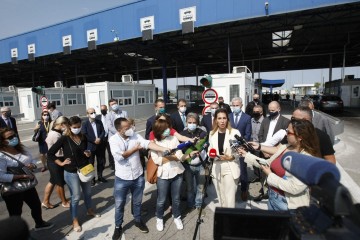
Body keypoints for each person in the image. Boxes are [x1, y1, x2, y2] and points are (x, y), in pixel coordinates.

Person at [238, 119, 321, 210]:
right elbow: (267, 164)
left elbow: (294, 188)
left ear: (300, 137)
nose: (286, 134)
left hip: (288, 204)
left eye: (289, 132)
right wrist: (246, 155)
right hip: (272, 197)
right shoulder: (285, 147)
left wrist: (270, 175)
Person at [109, 118, 170, 239]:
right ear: (119, 130)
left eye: (130, 127)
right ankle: (118, 226)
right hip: (122, 178)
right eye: (127, 128)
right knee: (119, 204)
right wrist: (135, 149)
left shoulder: (135, 136)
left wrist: (163, 149)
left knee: (137, 202)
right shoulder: (113, 140)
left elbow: (147, 143)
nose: (130, 129)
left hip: (137, 176)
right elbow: (120, 157)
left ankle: (138, 220)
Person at [47, 116, 100, 232]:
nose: (77, 129)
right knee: (75, 197)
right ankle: (74, 220)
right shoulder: (64, 139)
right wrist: (61, 163)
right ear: (69, 127)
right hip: (71, 172)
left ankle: (90, 210)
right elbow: (50, 153)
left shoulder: (83, 136)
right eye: (75, 127)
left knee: (88, 192)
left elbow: (86, 149)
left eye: (79, 126)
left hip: (84, 170)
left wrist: (88, 153)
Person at [0, 128, 54, 231]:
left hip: (28, 184)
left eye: (14, 135)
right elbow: (1, 176)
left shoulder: (21, 148)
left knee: (36, 205)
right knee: (15, 212)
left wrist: (32, 165)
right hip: (12, 189)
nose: (14, 138)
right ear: (2, 141)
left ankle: (39, 223)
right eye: (10, 137)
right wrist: (21, 176)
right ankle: (17, 232)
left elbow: (32, 160)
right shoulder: (1, 155)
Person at [151, 118, 196, 232]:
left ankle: (177, 216)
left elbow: (180, 157)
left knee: (176, 199)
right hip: (163, 175)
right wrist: (172, 157)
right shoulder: (154, 143)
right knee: (161, 200)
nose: (168, 130)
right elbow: (157, 161)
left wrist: (189, 155)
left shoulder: (174, 139)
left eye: (168, 128)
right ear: (158, 130)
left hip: (177, 173)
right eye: (165, 128)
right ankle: (160, 218)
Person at [208, 108, 241, 208]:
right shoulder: (211, 134)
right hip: (217, 167)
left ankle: (230, 220)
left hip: (230, 166)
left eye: (224, 118)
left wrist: (230, 157)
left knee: (229, 198)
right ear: (215, 120)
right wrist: (211, 154)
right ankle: (223, 219)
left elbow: (239, 152)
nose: (222, 121)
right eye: (219, 118)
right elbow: (210, 149)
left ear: (227, 119)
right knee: (221, 197)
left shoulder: (235, 133)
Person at [180, 112, 208, 212]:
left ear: (197, 123)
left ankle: (199, 204)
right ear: (186, 122)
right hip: (188, 165)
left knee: (200, 187)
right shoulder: (182, 135)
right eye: (189, 122)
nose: (192, 124)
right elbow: (181, 150)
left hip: (201, 164)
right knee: (189, 187)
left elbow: (206, 145)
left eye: (194, 122)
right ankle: (190, 204)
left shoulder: (203, 133)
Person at [43, 116, 71, 209]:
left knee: (52, 181)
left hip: (54, 160)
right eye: (67, 124)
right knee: (60, 183)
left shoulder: (55, 132)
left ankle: (45, 201)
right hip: (56, 161)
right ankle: (64, 201)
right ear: (62, 124)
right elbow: (59, 149)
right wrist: (61, 163)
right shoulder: (56, 135)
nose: (68, 126)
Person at [229, 97, 252, 201]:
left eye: (237, 105)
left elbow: (247, 134)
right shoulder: (228, 117)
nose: (235, 107)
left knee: (242, 170)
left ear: (241, 105)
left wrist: (241, 145)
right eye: (233, 105)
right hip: (229, 148)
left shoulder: (247, 118)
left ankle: (243, 190)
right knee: (231, 169)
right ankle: (232, 190)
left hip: (242, 148)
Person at [82, 108, 106, 186]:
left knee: (101, 162)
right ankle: (92, 179)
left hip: (100, 145)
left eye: (94, 112)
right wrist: (94, 140)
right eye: (91, 113)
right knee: (90, 163)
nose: (93, 114)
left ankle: (100, 176)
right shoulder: (85, 123)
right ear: (87, 114)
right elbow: (85, 134)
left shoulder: (99, 122)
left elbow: (103, 131)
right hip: (91, 146)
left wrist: (99, 138)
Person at [96, 105, 114, 170]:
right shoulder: (97, 117)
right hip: (102, 137)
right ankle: (103, 164)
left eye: (104, 109)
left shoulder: (110, 116)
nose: (103, 110)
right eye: (102, 109)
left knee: (110, 152)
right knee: (102, 152)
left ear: (107, 109)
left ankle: (112, 164)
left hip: (109, 136)